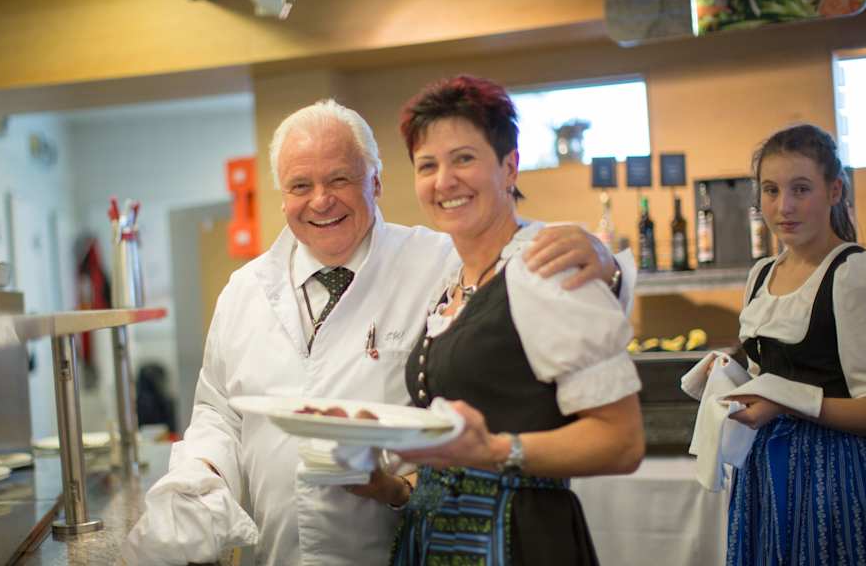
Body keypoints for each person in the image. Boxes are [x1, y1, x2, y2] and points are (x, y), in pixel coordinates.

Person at [123, 99, 633, 566]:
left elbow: (522, 260)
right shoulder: (242, 292)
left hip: (406, 544)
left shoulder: (439, 260)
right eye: (300, 186)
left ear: (376, 183)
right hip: (277, 551)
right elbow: (218, 411)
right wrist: (199, 481)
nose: (321, 201)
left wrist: (606, 261)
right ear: (283, 197)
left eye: (341, 179)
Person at [385, 75, 645, 565]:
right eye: (427, 165)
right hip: (437, 539)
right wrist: (390, 486)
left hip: (521, 539)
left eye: (464, 158)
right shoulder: (449, 279)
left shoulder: (546, 266)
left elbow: (623, 440)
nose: (444, 181)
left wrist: (497, 450)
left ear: (509, 167)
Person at [722, 124, 866, 564]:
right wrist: (729, 382)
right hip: (763, 473)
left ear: (834, 191)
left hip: (833, 478)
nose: (783, 207)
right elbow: (763, 378)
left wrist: (785, 402)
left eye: (800, 189)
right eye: (770, 190)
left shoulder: (852, 273)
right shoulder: (762, 273)